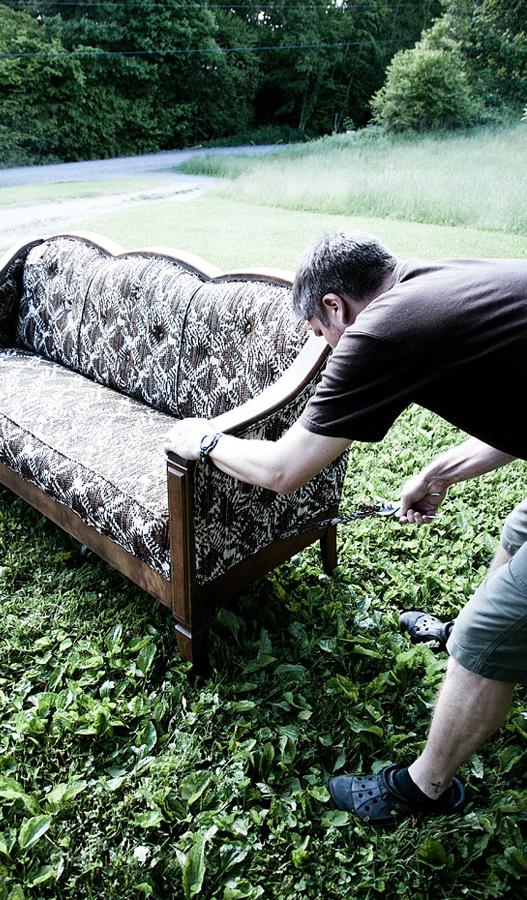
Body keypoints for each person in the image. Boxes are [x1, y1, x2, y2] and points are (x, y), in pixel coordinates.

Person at [164, 230, 527, 827]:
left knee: (491, 634)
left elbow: (285, 470)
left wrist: (204, 439)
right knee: (517, 537)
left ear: (334, 306)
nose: (327, 348)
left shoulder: (378, 329)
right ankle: (468, 633)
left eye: (318, 333)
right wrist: (438, 471)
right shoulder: (435, 279)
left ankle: (424, 790)